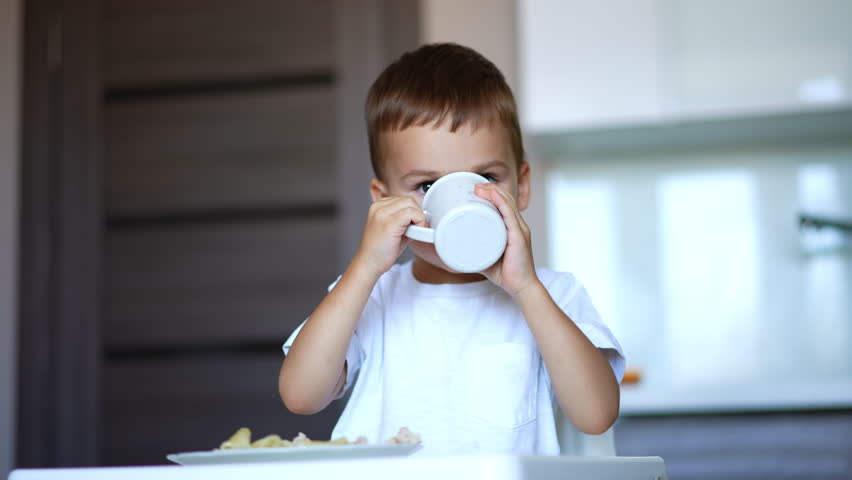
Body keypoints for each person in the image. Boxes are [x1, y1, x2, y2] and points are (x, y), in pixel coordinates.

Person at [278, 43, 624, 455]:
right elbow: (300, 396)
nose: (463, 205)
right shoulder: (371, 295)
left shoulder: (553, 294)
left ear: (522, 185)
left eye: (485, 177)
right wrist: (364, 269)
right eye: (427, 186)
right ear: (383, 199)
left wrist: (527, 289)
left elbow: (597, 414)